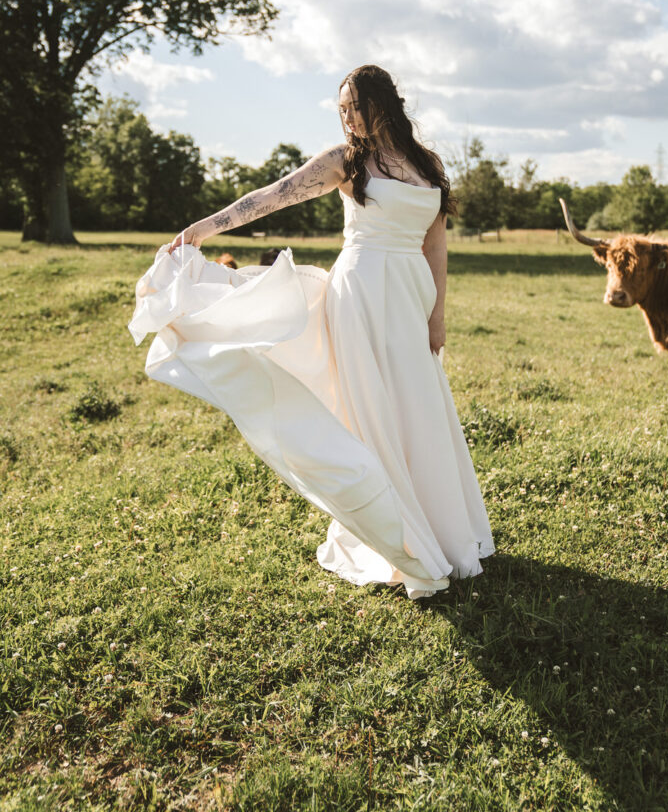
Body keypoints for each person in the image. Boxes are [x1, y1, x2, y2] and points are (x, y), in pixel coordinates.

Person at [145, 64, 493, 597]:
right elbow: (274, 196)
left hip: (409, 297)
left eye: (356, 105)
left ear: (385, 103)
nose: (349, 117)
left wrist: (438, 314)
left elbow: (435, 245)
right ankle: (399, 538)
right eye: (342, 109)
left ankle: (444, 531)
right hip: (360, 294)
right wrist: (202, 228)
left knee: (418, 408)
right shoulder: (346, 163)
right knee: (374, 411)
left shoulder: (428, 164)